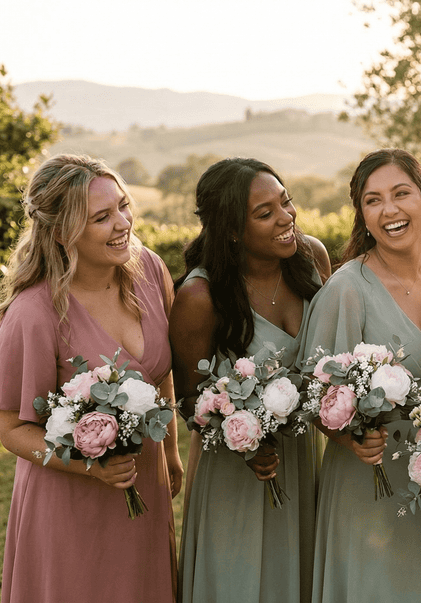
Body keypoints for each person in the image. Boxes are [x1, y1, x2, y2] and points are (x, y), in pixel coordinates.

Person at [0, 154, 182, 602]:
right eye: (101, 217)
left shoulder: (149, 271)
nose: (123, 223)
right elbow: (10, 429)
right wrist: (89, 466)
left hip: (145, 484)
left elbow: (159, 372)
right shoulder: (34, 313)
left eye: (123, 206)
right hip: (69, 503)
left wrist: (169, 451)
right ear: (61, 232)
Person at [301, 149, 421, 603]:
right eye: (373, 200)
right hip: (372, 485)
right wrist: (349, 437)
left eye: (401, 194)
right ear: (363, 216)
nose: (389, 209)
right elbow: (313, 393)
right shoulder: (347, 290)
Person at [171, 157, 330, 602]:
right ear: (232, 231)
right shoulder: (200, 296)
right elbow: (189, 397)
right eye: (265, 213)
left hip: (300, 458)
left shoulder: (311, 258)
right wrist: (243, 438)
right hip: (235, 472)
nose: (286, 217)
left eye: (286, 201)